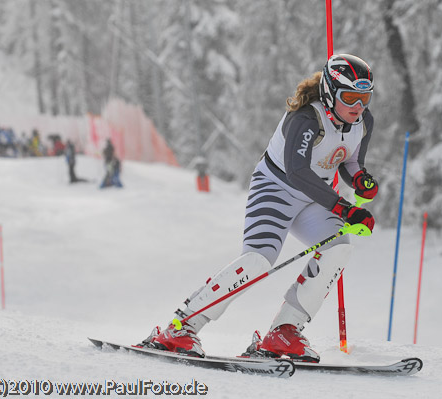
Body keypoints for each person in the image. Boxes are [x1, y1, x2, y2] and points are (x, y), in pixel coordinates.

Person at [138, 54, 378, 362]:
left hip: (314, 199)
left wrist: (360, 178)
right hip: (276, 189)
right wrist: (344, 208)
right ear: (331, 92)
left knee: (339, 248)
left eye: (364, 98)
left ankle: (284, 332)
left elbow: (350, 159)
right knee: (258, 260)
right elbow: (297, 172)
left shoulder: (362, 121)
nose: (358, 106)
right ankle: (180, 327)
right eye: (350, 97)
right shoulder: (306, 119)